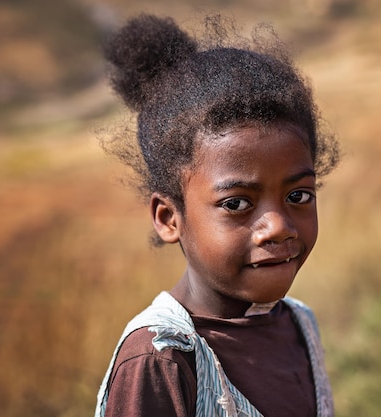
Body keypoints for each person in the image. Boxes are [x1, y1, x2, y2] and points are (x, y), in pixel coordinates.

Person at [95, 13, 340, 417]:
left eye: (298, 194)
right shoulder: (161, 359)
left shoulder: (300, 324)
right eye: (237, 203)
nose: (278, 226)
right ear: (169, 218)